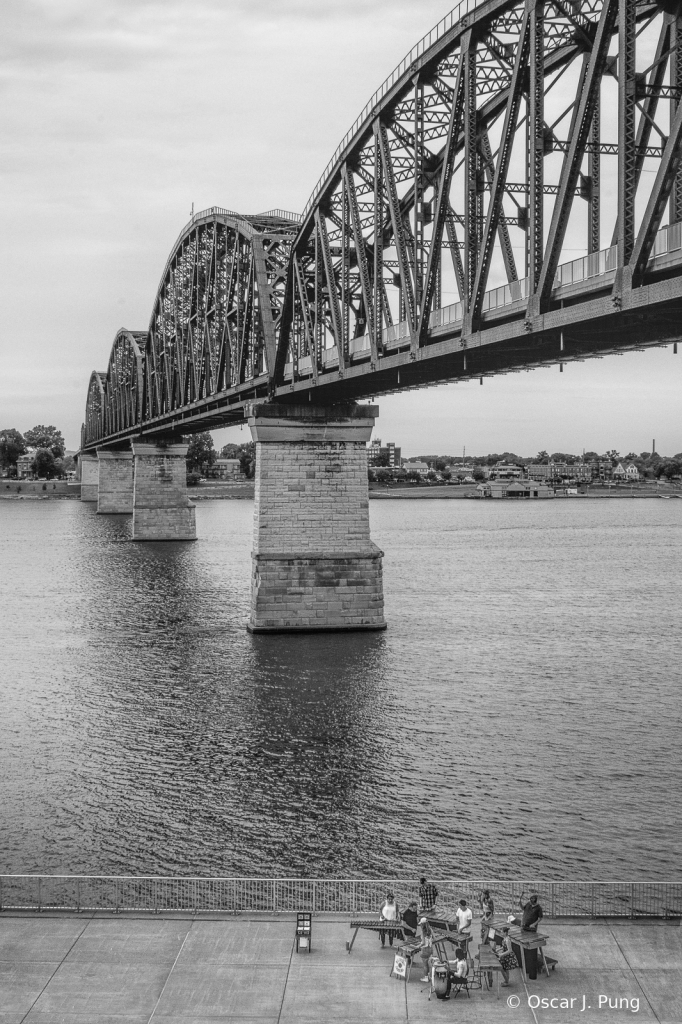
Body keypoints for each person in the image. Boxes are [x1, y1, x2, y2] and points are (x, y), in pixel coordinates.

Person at [417, 917, 434, 982]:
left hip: (425, 950)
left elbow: (423, 942)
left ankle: (426, 977)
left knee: (425, 965)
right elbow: (434, 938)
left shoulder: (422, 932)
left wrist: (419, 945)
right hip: (430, 949)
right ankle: (429, 976)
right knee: (429, 963)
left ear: (422, 925)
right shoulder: (430, 929)